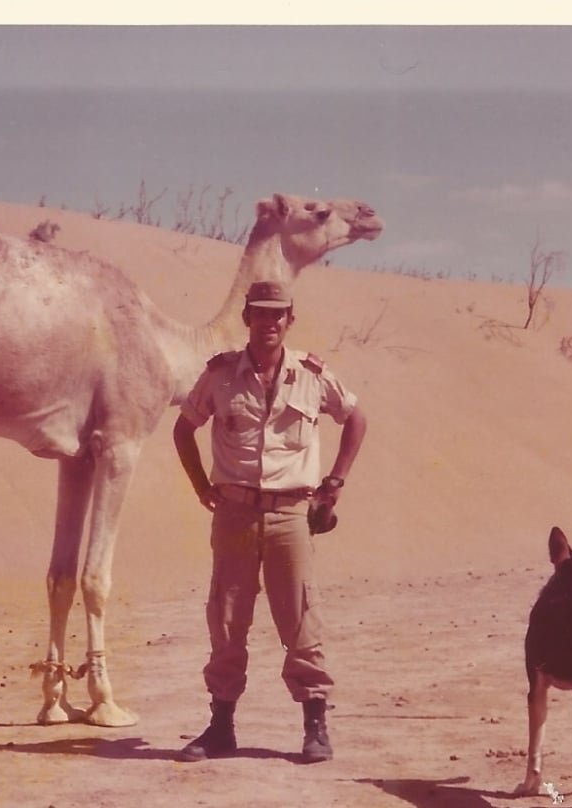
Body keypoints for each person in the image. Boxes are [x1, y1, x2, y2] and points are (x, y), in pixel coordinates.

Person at [171, 279, 368, 764]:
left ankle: (315, 725)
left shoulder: (312, 374)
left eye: (278, 314)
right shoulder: (219, 376)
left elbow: (355, 417)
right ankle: (221, 727)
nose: (269, 322)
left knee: (300, 618)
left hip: (290, 516)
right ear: (247, 319)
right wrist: (201, 485)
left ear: (290, 320)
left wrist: (335, 482)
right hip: (234, 514)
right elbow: (183, 428)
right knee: (227, 618)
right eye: (260, 313)